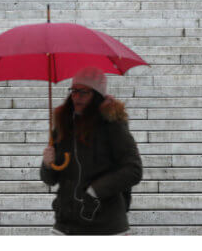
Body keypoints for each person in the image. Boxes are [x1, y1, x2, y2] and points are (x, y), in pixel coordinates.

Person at [40, 67, 142, 235]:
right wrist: (47, 164)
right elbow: (49, 179)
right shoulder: (63, 125)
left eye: (83, 92)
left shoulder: (112, 125)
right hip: (66, 226)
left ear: (96, 95)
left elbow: (134, 170)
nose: (76, 97)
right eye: (73, 91)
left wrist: (95, 191)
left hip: (106, 226)